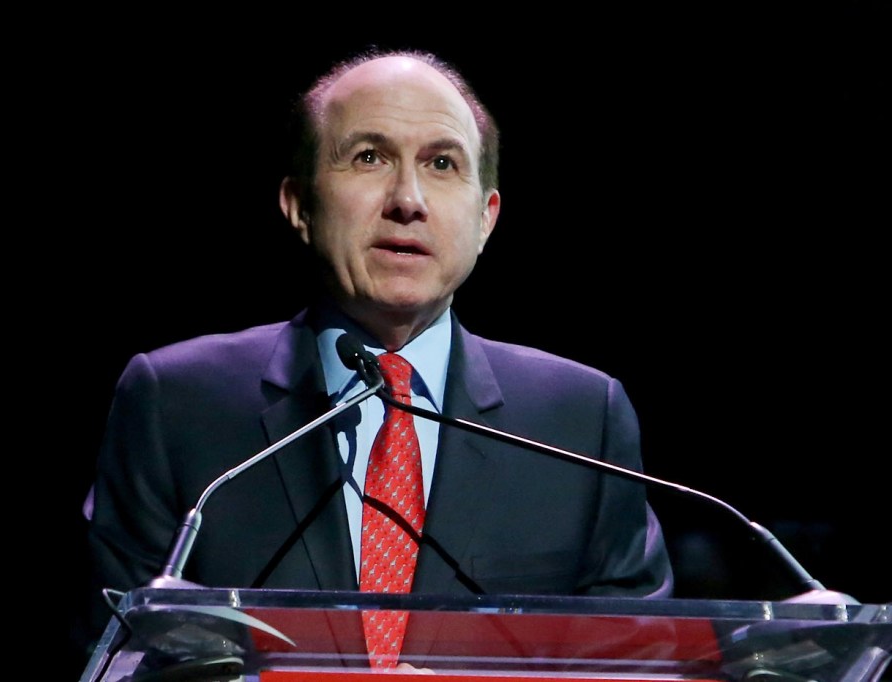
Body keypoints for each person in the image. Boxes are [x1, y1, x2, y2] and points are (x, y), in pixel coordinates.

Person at [79, 47, 673, 673]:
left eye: (442, 163)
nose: (407, 199)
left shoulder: (581, 418)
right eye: (369, 157)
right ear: (299, 204)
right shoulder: (176, 404)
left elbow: (638, 661)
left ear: (485, 219)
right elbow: (117, 652)